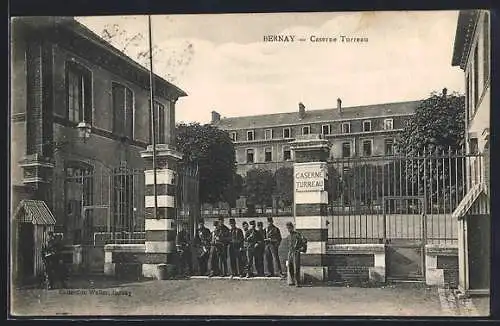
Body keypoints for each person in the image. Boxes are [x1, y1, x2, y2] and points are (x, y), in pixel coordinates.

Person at [286, 222, 308, 287]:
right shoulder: (288, 236)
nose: (288, 230)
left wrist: (301, 248)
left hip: (296, 252)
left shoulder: (297, 234)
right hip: (290, 252)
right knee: (290, 267)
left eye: (289, 228)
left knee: (296, 268)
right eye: (287, 228)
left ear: (292, 227)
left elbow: (304, 240)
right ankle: (292, 280)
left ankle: (297, 282)